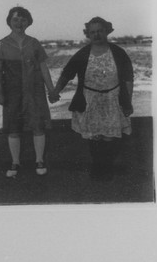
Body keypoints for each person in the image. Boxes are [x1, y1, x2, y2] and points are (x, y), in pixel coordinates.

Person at [50, 17, 136, 179]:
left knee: (110, 137)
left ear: (107, 32)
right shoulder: (82, 54)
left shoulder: (118, 53)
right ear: (88, 34)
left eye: (100, 31)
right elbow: (67, 74)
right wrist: (56, 91)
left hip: (113, 100)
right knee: (95, 136)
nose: (96, 35)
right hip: (90, 101)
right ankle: (98, 166)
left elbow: (128, 79)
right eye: (93, 32)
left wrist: (128, 101)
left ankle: (107, 165)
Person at [0, 5, 52, 177]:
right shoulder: (1, 45)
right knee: (13, 127)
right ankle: (15, 162)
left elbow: (43, 68)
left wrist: (51, 90)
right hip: (12, 93)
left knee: (38, 125)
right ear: (9, 22)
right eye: (15, 19)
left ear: (28, 22)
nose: (19, 22)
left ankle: (39, 160)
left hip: (35, 92)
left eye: (23, 19)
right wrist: (0, 93)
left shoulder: (34, 43)